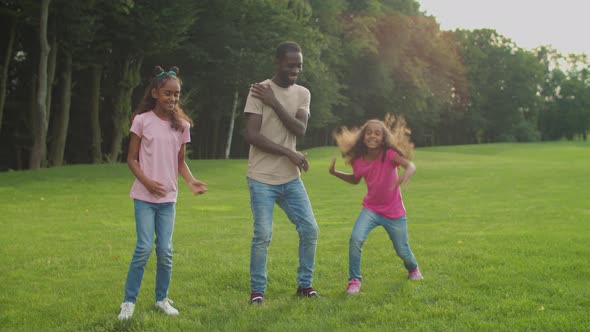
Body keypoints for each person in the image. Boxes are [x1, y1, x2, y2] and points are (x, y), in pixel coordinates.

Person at [117, 66, 207, 320]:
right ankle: (128, 302)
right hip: (144, 198)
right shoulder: (142, 121)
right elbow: (131, 159)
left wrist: (190, 181)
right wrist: (146, 182)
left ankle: (161, 299)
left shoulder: (182, 126)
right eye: (168, 93)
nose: (173, 98)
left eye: (176, 94)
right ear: (155, 93)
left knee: (165, 251)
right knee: (144, 247)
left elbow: (180, 162)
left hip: (168, 199)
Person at [244, 41, 319, 304]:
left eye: (299, 65)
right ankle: (257, 293)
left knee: (309, 229)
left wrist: (275, 103)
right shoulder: (258, 90)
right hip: (261, 178)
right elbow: (252, 136)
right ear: (277, 63)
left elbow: (299, 130)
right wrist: (288, 152)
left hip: (290, 179)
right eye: (290, 65)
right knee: (263, 234)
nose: (295, 70)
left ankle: (305, 286)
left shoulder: (303, 93)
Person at [328, 117, 423, 295]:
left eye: (377, 133)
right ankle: (354, 280)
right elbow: (355, 180)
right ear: (363, 137)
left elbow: (410, 165)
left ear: (383, 138)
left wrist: (407, 174)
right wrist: (335, 173)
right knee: (356, 238)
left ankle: (413, 269)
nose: (373, 136)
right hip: (371, 209)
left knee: (402, 250)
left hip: (394, 211)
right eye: (369, 133)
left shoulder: (389, 155)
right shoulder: (358, 160)